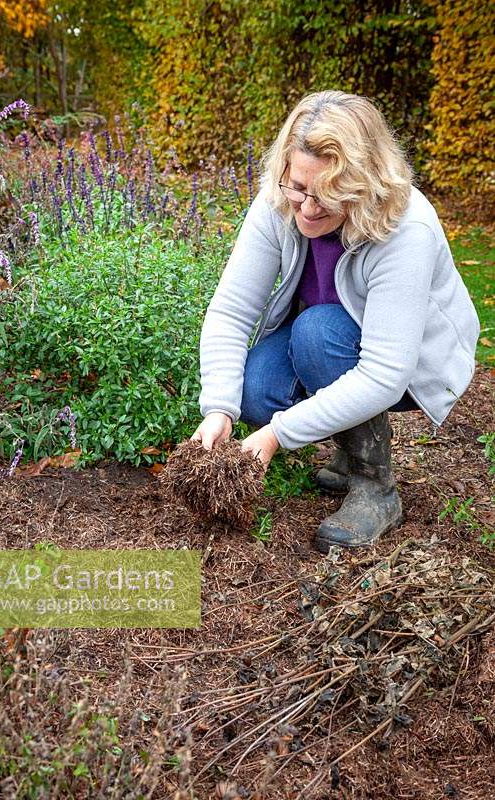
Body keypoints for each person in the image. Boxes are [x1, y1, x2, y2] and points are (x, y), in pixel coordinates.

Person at [191, 90, 480, 552]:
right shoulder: (279, 201)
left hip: (405, 364)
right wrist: (218, 409)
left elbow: (386, 373)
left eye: (326, 196)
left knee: (318, 331)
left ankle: (375, 485)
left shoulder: (406, 230)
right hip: (329, 340)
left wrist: (278, 434)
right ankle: (348, 447)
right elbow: (231, 310)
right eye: (298, 187)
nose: (305, 209)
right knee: (255, 387)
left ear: (363, 184)